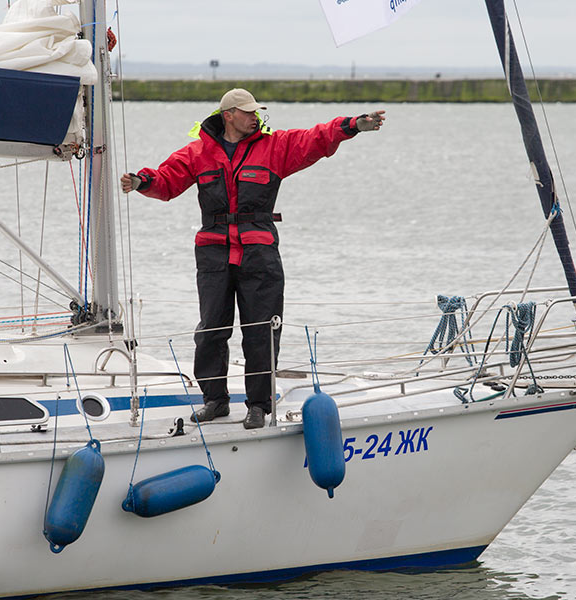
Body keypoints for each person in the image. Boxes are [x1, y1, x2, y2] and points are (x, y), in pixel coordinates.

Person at [121, 88, 385, 429]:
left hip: (259, 253)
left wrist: (351, 125)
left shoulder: (275, 146)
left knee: (261, 332)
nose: (255, 117)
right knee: (211, 330)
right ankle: (214, 401)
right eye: (247, 112)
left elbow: (315, 139)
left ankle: (258, 405)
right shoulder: (199, 151)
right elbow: (167, 181)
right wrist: (142, 181)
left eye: (256, 112)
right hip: (213, 253)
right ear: (228, 115)